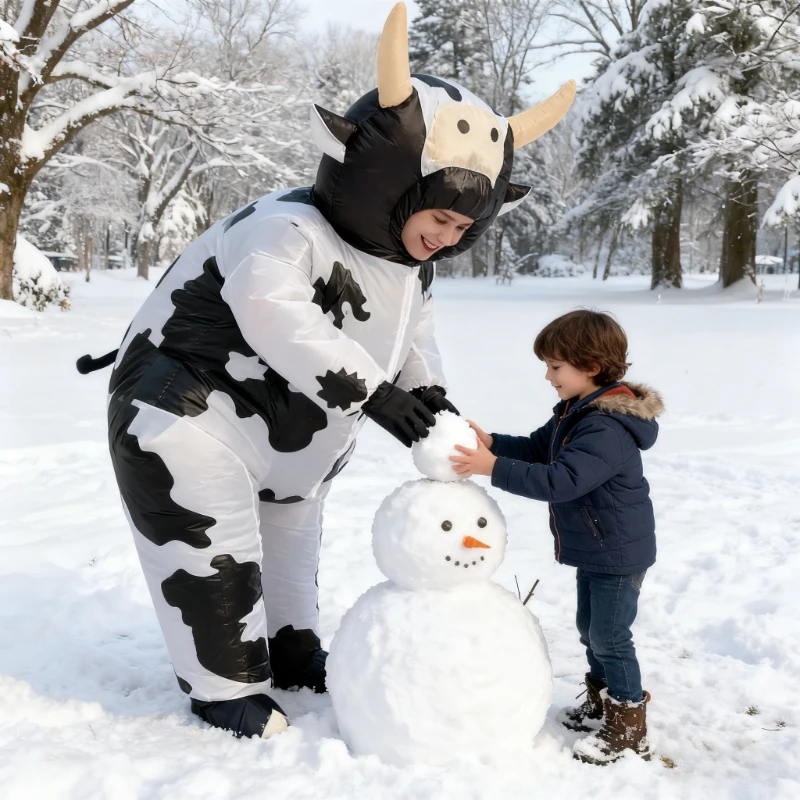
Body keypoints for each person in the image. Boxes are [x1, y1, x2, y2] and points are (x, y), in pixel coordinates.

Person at [78, 2, 575, 739]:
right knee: (213, 543)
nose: (443, 236)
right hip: (190, 412)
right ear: (382, 179)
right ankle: (224, 685)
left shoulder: (409, 270)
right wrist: (373, 395)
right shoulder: (284, 228)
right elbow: (273, 311)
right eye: (436, 215)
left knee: (290, 536)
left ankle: (291, 643)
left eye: (462, 228)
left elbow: (411, 334)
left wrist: (424, 391)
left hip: (297, 442)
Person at [450, 309, 663, 764]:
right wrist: (495, 445)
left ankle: (628, 730)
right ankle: (601, 705)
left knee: (610, 636)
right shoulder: (577, 411)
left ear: (590, 366)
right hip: (599, 545)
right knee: (591, 630)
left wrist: (492, 470)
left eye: (555, 366)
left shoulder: (605, 426)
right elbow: (536, 448)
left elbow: (561, 480)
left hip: (619, 550)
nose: (547, 376)